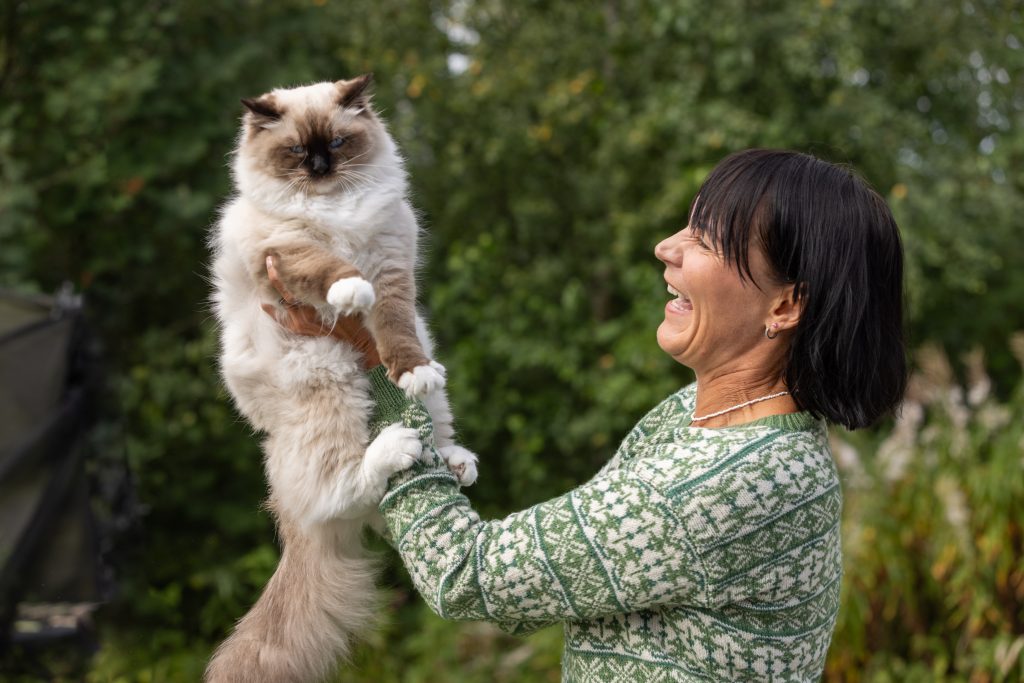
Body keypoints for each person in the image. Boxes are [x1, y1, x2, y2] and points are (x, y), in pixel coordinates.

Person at [266, 149, 906, 681]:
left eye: (707, 240)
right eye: (686, 226)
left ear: (786, 306)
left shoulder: (732, 480)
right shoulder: (708, 419)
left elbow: (467, 573)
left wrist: (372, 359)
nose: (666, 248)